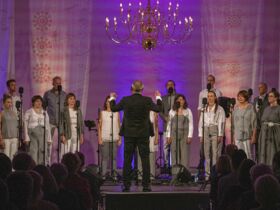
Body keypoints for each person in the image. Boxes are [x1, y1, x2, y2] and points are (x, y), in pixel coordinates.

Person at [109, 80, 162, 192]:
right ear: (142, 90)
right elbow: (159, 109)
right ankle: (146, 185)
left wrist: (112, 98)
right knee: (145, 159)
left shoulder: (126, 100)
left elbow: (113, 108)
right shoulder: (147, 100)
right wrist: (158, 98)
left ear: (131, 89)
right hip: (143, 134)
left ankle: (126, 185)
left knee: (127, 159)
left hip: (129, 134)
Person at [198, 91, 225, 180]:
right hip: (206, 130)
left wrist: (220, 134)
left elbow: (221, 122)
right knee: (206, 153)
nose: (209, 98)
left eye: (211, 96)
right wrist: (200, 134)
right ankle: (207, 174)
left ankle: (214, 173)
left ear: (215, 97)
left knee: (215, 153)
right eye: (208, 96)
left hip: (215, 129)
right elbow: (201, 122)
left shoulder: (220, 109)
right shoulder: (204, 108)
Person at [197, 75, 222, 170]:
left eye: (211, 80)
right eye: (208, 80)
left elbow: (219, 108)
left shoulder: (218, 92)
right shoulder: (202, 93)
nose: (209, 82)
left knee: (215, 150)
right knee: (204, 148)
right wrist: (201, 123)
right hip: (205, 123)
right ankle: (203, 165)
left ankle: (215, 167)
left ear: (214, 81)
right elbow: (199, 108)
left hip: (214, 124)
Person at [166, 94, 193, 175]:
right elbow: (169, 124)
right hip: (174, 134)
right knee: (174, 153)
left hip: (184, 134)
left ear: (184, 101)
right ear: (176, 101)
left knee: (184, 154)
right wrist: (168, 136)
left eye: (182, 99)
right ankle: (175, 173)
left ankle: (184, 174)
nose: (180, 101)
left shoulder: (188, 111)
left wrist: (189, 136)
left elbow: (191, 124)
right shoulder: (172, 111)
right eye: (179, 99)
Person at [43, 76, 67, 163]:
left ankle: (61, 162)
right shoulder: (47, 94)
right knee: (48, 142)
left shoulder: (64, 94)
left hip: (61, 122)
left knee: (63, 144)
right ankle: (47, 162)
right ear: (53, 83)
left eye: (60, 83)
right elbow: (43, 107)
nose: (58, 85)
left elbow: (66, 109)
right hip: (51, 121)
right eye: (56, 83)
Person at [24, 95, 52, 164]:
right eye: (37, 101)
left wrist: (49, 138)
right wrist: (26, 137)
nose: (39, 103)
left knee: (42, 151)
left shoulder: (44, 112)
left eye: (40, 101)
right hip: (33, 134)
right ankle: (34, 168)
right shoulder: (29, 111)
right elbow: (25, 125)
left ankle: (41, 168)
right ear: (33, 102)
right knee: (34, 151)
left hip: (43, 134)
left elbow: (47, 125)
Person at [98, 96, 121, 178]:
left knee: (114, 158)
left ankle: (114, 174)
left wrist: (120, 138)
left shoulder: (116, 113)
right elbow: (99, 126)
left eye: (110, 101)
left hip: (114, 137)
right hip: (104, 137)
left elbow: (119, 125)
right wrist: (99, 138)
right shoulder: (102, 113)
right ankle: (103, 175)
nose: (109, 103)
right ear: (105, 103)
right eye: (107, 101)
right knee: (104, 157)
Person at [232, 90, 257, 159]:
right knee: (239, 155)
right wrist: (234, 137)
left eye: (242, 96)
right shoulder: (236, 108)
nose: (240, 98)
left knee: (248, 155)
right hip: (238, 136)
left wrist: (254, 136)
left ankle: (250, 169)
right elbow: (234, 124)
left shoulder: (251, 107)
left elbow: (254, 123)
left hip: (247, 136)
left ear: (246, 97)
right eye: (239, 96)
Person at [258, 89, 280, 165]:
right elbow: (262, 120)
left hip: (274, 134)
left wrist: (274, 125)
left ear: (276, 98)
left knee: (272, 152)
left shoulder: (279, 109)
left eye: (271, 96)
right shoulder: (266, 109)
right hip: (264, 133)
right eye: (269, 96)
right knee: (264, 152)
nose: (269, 98)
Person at [159, 80, 178, 168]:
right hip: (166, 125)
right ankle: (166, 164)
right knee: (166, 146)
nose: (170, 86)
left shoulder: (178, 97)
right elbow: (160, 111)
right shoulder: (163, 98)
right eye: (168, 85)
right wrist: (165, 118)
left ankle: (174, 164)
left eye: (171, 85)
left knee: (175, 146)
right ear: (166, 87)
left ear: (174, 86)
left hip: (176, 126)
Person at [138, 110, 159, 180]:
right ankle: (140, 176)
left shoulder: (154, 112)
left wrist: (156, 137)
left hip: (151, 136)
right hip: (141, 135)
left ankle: (151, 175)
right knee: (141, 155)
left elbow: (156, 126)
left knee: (151, 156)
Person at [253, 83, 269, 162]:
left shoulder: (269, 98)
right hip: (257, 127)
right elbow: (254, 112)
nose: (259, 89)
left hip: (266, 127)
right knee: (257, 147)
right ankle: (258, 163)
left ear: (266, 89)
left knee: (265, 147)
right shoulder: (255, 99)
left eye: (261, 87)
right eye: (258, 88)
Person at [0, 95, 18, 160]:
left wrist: (17, 138)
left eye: (10, 102)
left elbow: (16, 126)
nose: (10, 104)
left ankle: (12, 170)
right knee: (6, 158)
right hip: (6, 139)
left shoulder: (14, 113)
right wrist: (0, 139)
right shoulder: (1, 113)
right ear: (4, 103)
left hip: (14, 138)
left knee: (13, 158)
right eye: (8, 102)